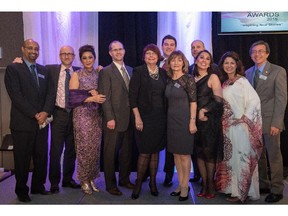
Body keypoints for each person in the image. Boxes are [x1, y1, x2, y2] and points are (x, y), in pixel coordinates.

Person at [4, 39, 54, 202]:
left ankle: (38, 186)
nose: (33, 51)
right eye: (30, 48)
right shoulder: (13, 68)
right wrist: (35, 114)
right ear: (23, 49)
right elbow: (16, 96)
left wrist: (45, 112)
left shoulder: (43, 70)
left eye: (36, 49)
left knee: (41, 156)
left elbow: (50, 94)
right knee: (22, 158)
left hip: (42, 123)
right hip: (23, 123)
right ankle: (22, 190)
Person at [215, 51, 263, 203]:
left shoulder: (242, 81)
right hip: (227, 128)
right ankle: (231, 188)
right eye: (226, 63)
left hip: (241, 127)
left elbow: (254, 101)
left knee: (241, 158)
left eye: (232, 63)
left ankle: (242, 191)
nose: (229, 66)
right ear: (222, 66)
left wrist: (243, 118)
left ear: (237, 65)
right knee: (230, 159)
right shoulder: (223, 83)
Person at [245, 40, 287, 203]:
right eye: (254, 52)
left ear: (267, 53)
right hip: (254, 122)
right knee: (258, 155)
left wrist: (277, 123)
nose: (257, 54)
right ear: (250, 55)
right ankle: (263, 184)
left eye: (261, 51)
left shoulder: (278, 71)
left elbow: (282, 99)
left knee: (274, 156)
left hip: (271, 122)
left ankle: (277, 189)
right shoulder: (248, 73)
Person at [129, 44, 167, 200]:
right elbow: (132, 97)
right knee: (144, 151)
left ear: (158, 57)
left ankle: (152, 183)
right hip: (143, 118)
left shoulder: (164, 73)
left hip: (160, 118)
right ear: (144, 57)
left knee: (155, 151)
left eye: (154, 54)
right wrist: (137, 117)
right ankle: (138, 183)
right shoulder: (138, 71)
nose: (151, 56)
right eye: (148, 53)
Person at [98, 40, 135, 196]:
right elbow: (104, 97)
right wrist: (109, 118)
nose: (118, 52)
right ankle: (110, 184)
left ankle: (124, 179)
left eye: (120, 49)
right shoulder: (106, 72)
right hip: (113, 120)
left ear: (124, 51)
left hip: (129, 119)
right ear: (110, 53)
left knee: (126, 152)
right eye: (115, 50)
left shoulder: (131, 70)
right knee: (110, 153)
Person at [69, 45, 106, 194]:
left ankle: (92, 178)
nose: (88, 60)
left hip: (96, 116)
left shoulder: (99, 73)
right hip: (82, 115)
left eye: (90, 57)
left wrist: (97, 94)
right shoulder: (76, 74)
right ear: (81, 60)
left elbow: (104, 91)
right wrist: (92, 97)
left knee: (95, 149)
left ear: (94, 58)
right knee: (83, 149)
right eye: (84, 58)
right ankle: (83, 179)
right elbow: (72, 97)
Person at [46, 46, 81, 193]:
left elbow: (94, 74)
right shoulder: (50, 70)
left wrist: (99, 69)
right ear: (60, 55)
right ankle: (54, 182)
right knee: (55, 150)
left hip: (75, 114)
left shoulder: (79, 71)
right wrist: (19, 61)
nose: (67, 56)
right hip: (58, 114)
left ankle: (68, 179)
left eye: (69, 54)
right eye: (64, 54)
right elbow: (32, 68)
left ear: (73, 56)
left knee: (71, 150)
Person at [165, 50, 197, 201]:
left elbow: (193, 102)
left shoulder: (188, 79)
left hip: (185, 121)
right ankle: (180, 184)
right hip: (171, 122)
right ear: (169, 63)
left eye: (179, 60)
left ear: (184, 63)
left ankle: (185, 186)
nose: (176, 63)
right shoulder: (169, 79)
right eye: (173, 60)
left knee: (185, 154)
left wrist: (192, 121)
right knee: (176, 155)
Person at [192, 50, 223, 199]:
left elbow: (219, 101)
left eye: (207, 59)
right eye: (201, 58)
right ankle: (204, 184)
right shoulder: (191, 77)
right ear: (196, 60)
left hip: (209, 121)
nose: (204, 60)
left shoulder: (213, 77)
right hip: (194, 122)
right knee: (199, 153)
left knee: (209, 154)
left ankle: (211, 186)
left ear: (210, 63)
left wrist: (204, 110)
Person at [159, 34, 178, 187]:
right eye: (166, 44)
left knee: (172, 145)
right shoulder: (154, 62)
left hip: (174, 111)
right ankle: (148, 172)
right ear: (162, 46)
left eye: (172, 45)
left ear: (175, 47)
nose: (169, 47)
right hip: (157, 111)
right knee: (153, 142)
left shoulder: (180, 65)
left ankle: (168, 174)